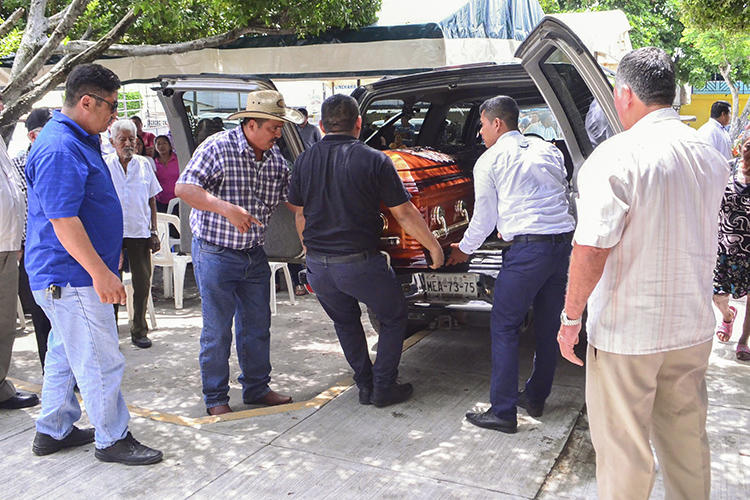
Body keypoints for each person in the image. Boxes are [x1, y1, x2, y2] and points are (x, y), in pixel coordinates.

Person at [557, 47, 729, 500]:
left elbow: (591, 247)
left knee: (624, 452)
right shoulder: (709, 155)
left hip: (628, 333)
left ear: (626, 93)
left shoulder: (616, 156)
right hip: (691, 328)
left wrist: (571, 317)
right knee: (687, 440)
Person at [25, 63, 162, 464]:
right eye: (112, 106)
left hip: (70, 275)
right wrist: (100, 271)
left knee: (66, 353)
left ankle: (53, 429)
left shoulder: (76, 138)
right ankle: (112, 437)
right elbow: (63, 220)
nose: (115, 114)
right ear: (87, 101)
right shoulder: (59, 147)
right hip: (72, 276)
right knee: (100, 358)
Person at [288, 94, 444, 408]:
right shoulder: (375, 159)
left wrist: (308, 249)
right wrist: (434, 246)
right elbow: (404, 213)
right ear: (359, 124)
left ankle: (364, 384)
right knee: (394, 317)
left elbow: (300, 213)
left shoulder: (304, 159)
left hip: (319, 265)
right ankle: (384, 386)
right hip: (359, 263)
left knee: (345, 323)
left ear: (321, 125)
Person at [446, 95, 575, 434]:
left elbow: (484, 218)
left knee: (504, 325)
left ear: (496, 123)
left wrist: (465, 249)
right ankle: (535, 397)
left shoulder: (489, 161)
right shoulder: (548, 150)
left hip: (527, 252)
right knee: (548, 327)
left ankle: (502, 412)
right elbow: (562, 191)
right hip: (562, 247)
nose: (480, 133)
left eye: (482, 125)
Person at [175, 89, 303, 416]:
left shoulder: (276, 161)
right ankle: (216, 397)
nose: (278, 134)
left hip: (254, 254)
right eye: (273, 127)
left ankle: (257, 388)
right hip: (216, 253)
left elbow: (296, 203)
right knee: (218, 330)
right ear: (250, 124)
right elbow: (185, 188)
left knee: (258, 326)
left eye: (279, 128)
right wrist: (226, 209)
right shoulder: (218, 147)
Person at [104, 119, 162, 348]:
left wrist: (154, 231)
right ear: (112, 142)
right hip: (112, 233)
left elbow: (152, 200)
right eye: (123, 139)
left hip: (139, 231)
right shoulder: (104, 165)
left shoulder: (144, 164)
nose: (128, 143)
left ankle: (139, 330)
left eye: (132, 139)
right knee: (111, 284)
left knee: (142, 282)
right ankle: (109, 334)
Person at [0, 95, 40, 411]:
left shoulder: (2, 144)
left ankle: (0, 386)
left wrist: (17, 241)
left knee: (5, 324)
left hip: (8, 245)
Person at [14, 108, 53, 371]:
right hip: (33, 247)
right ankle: (49, 367)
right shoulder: (18, 163)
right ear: (32, 136)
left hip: (61, 244)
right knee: (41, 313)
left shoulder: (56, 158)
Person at [713, 137, 750, 361]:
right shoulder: (726, 168)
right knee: (717, 295)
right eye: (748, 144)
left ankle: (743, 340)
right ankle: (727, 316)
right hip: (724, 246)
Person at [153, 134, 180, 212]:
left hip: (178, 200)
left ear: (170, 145)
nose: (161, 146)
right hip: (160, 201)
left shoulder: (178, 159)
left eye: (164, 143)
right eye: (158, 144)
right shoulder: (153, 163)